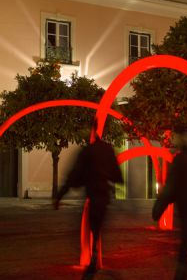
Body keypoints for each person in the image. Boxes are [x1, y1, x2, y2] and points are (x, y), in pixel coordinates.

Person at [54, 120, 123, 280]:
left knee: (88, 229)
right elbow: (117, 175)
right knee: (96, 228)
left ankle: (92, 260)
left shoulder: (88, 151)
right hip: (104, 196)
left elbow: (73, 176)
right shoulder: (107, 149)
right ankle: (94, 257)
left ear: (91, 130)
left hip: (93, 195)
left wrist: (60, 196)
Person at [152, 129, 187, 280]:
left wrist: (158, 209)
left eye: (175, 137)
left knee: (184, 240)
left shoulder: (180, 159)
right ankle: (182, 266)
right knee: (185, 239)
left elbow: (171, 188)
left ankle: (181, 269)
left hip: (184, 207)